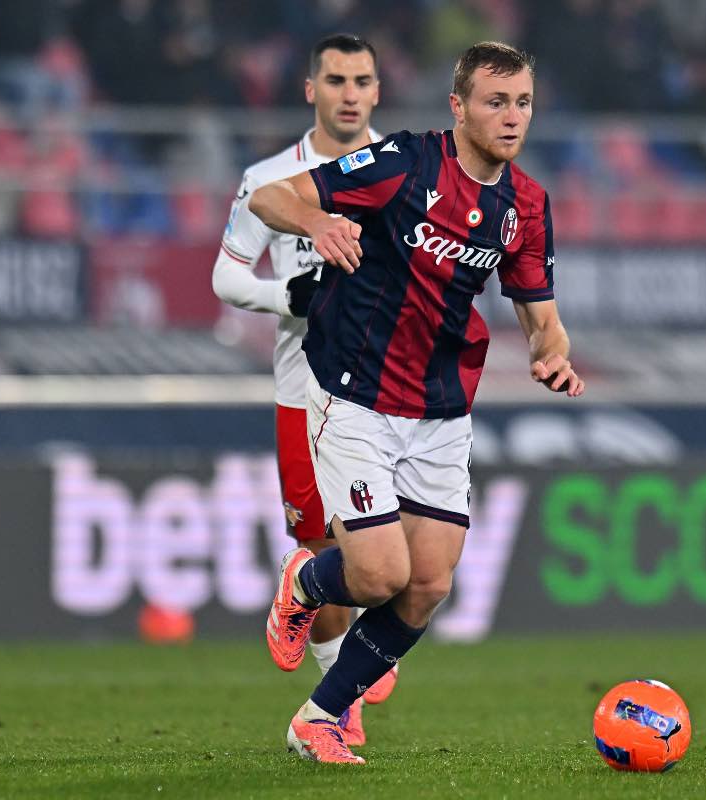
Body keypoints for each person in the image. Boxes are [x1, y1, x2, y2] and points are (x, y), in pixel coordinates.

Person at [249, 41, 585, 765]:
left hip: (441, 409)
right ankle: (306, 579)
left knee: (428, 583)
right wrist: (317, 223)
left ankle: (320, 716)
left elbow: (540, 313)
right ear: (458, 106)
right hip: (357, 392)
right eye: (496, 102)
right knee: (376, 574)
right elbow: (269, 197)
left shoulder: (526, 205)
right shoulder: (403, 162)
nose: (511, 116)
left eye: (523, 102)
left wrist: (550, 351)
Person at [210, 33, 398, 749]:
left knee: (397, 550)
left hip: (392, 392)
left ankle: (321, 622)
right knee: (326, 543)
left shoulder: (403, 172)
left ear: (378, 90)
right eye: (336, 79)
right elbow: (225, 278)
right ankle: (335, 701)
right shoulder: (269, 179)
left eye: (362, 80)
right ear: (310, 90)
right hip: (306, 389)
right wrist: (296, 296)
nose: (350, 93)